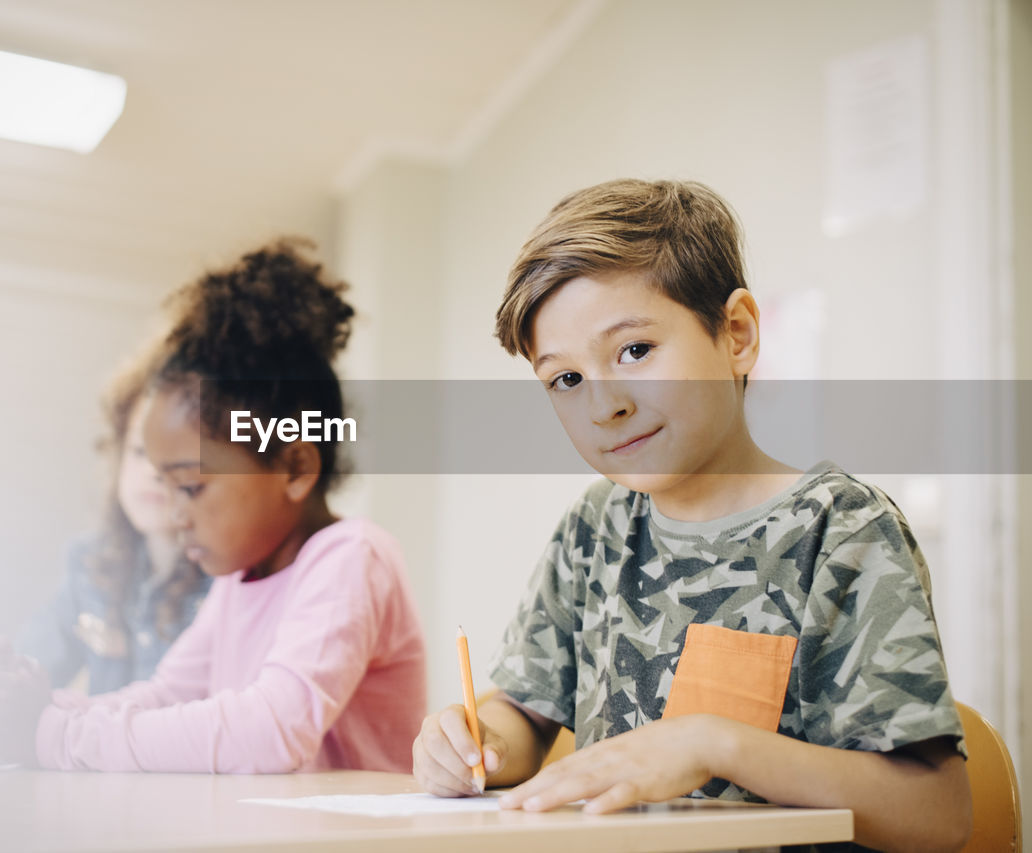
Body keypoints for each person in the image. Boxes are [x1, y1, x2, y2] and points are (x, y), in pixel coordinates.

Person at [412, 179, 971, 852]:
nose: (603, 405)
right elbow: (522, 719)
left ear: (736, 334)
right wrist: (477, 742)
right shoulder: (594, 530)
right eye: (566, 379)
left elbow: (937, 812)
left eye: (635, 350)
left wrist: (715, 744)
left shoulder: (841, 529)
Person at [0, 239, 428, 773]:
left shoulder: (351, 557)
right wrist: (43, 710)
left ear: (295, 468)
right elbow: (165, 697)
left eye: (190, 487)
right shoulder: (237, 580)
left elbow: (270, 732)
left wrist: (56, 733)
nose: (175, 514)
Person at [16, 337, 211, 694]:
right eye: (140, 451)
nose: (154, 471)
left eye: (178, 454)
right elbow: (33, 664)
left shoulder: (227, 583)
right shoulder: (89, 562)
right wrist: (4, 684)